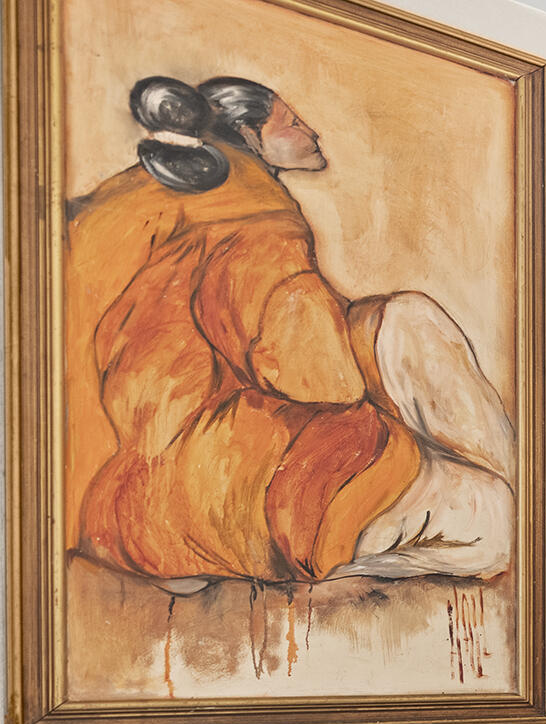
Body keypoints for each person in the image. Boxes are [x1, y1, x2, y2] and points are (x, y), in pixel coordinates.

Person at [64, 74, 515, 593]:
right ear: (248, 133)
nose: (311, 132)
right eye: (293, 123)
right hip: (209, 484)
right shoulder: (253, 214)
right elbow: (319, 377)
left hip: (111, 483)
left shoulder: (128, 198)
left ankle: (488, 480)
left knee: (408, 316)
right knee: (498, 522)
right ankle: (333, 564)